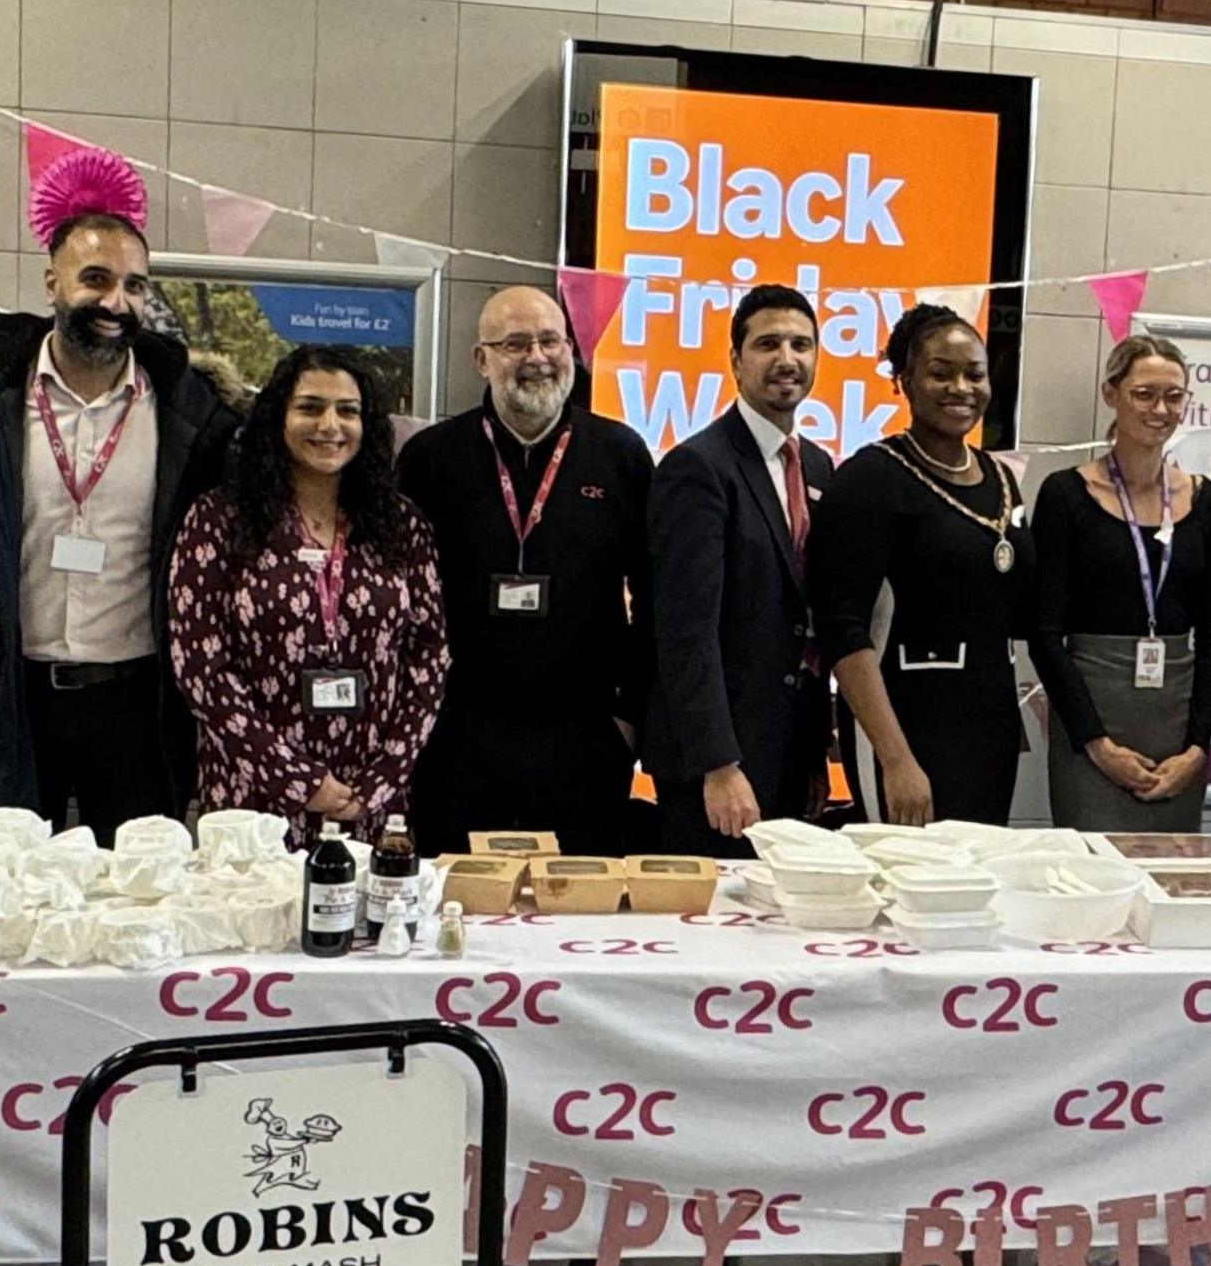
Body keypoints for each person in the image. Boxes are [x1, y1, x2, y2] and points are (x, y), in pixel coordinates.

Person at [0, 149, 241, 836]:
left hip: (140, 705)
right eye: (96, 279)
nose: (117, 303)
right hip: (8, 696)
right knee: (10, 899)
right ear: (52, 281)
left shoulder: (192, 417)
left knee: (136, 905)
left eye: (136, 286)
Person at [397, 287, 655, 856]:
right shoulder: (430, 459)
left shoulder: (621, 455)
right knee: (460, 913)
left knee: (575, 918)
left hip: (586, 736)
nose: (537, 356)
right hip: (458, 737)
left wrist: (628, 721)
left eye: (550, 340)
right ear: (481, 359)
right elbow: (400, 603)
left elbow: (655, 597)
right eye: (515, 343)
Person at [169, 347, 449, 850]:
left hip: (371, 801)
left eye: (347, 410)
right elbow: (200, 666)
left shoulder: (401, 525)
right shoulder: (217, 520)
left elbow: (428, 656)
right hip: (253, 797)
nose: (330, 425)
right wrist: (299, 780)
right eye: (310, 407)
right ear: (278, 416)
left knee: (369, 925)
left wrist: (382, 778)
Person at [809, 303, 1030, 826]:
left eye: (974, 374)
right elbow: (844, 631)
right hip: (907, 726)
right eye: (940, 373)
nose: (961, 388)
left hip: (988, 728)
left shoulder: (1001, 479)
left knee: (973, 889)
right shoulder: (870, 480)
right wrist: (896, 760)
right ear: (904, 381)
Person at [644, 284, 838, 856]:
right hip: (718, 766)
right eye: (768, 344)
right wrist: (718, 764)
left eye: (802, 344)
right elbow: (684, 631)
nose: (787, 359)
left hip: (789, 751)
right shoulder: (698, 468)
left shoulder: (819, 465)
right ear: (735, 361)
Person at [1032, 334, 1211, 831]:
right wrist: (1096, 744)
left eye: (1174, 395)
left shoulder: (1207, 502)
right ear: (1111, 394)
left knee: (1172, 877)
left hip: (1177, 726)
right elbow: (1043, 634)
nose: (1159, 408)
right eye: (1144, 393)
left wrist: (1198, 749)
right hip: (1093, 725)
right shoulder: (1066, 494)